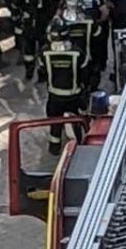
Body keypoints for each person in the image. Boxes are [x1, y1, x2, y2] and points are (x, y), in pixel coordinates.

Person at [40, 18, 89, 155]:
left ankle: (54, 149)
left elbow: (43, 71)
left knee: (55, 124)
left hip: (54, 97)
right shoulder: (78, 53)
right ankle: (80, 147)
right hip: (74, 96)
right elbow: (85, 72)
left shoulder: (44, 53)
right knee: (78, 122)